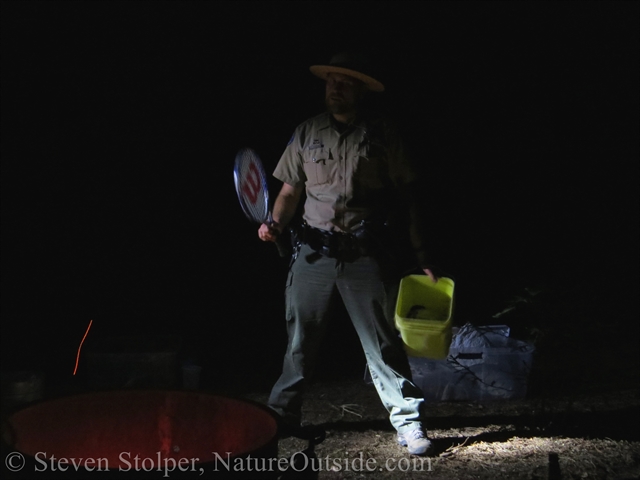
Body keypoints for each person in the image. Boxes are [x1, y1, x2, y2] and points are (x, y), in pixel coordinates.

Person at [258, 51, 437, 456]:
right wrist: (274, 224)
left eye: (345, 82)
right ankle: (280, 418)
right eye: (330, 81)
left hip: (365, 255)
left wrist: (421, 252)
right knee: (299, 342)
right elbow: (289, 192)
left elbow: (409, 196)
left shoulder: (382, 133)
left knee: (383, 344)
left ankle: (409, 422)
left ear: (360, 90)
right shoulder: (306, 132)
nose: (335, 88)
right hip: (313, 256)